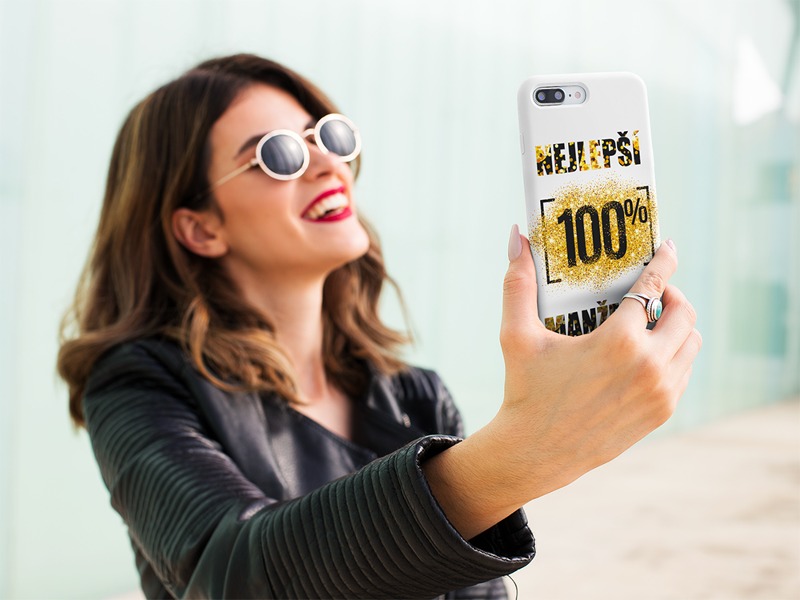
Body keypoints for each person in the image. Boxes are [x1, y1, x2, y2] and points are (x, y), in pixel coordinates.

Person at [57, 53, 701, 599]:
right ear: (200, 228)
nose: (326, 165)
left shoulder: (414, 396)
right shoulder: (137, 384)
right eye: (278, 155)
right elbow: (232, 571)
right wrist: (521, 452)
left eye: (328, 137)